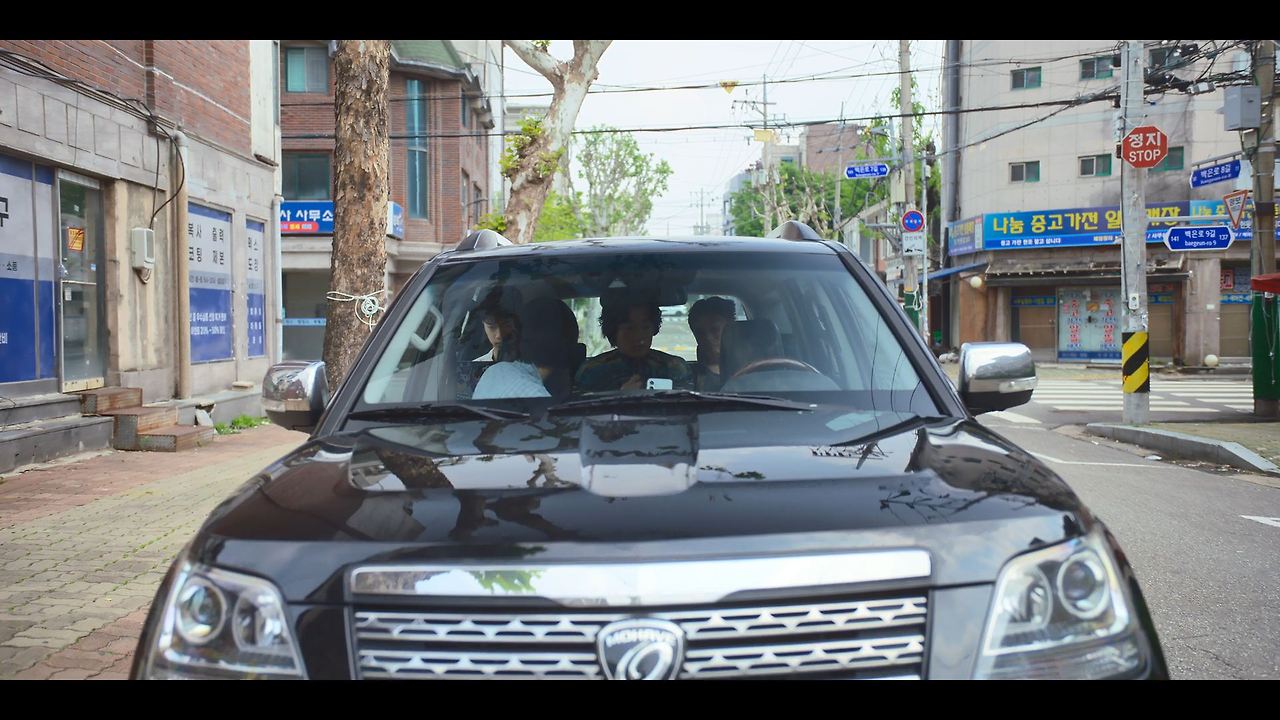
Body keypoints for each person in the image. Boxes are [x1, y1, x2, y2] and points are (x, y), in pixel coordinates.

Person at [574, 293, 693, 393]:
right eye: (629, 328)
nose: (639, 336)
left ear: (654, 329)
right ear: (613, 331)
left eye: (645, 327)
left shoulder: (674, 367)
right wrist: (621, 395)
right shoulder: (592, 372)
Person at [473, 297, 579, 400]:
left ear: (519, 336)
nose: (499, 335)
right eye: (492, 327)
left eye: (506, 325)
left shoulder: (492, 373)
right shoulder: (538, 400)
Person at [687, 296, 735, 391]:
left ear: (732, 329)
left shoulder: (757, 367)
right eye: (700, 333)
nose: (707, 338)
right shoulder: (687, 376)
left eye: (715, 330)